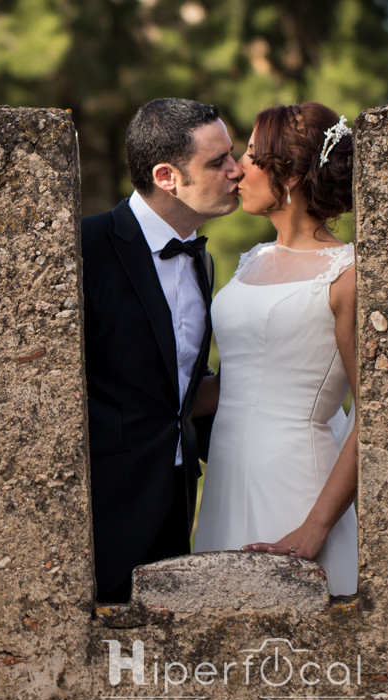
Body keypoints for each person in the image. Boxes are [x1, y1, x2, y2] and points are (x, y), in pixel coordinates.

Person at [192, 102, 358, 595]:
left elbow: (378, 412)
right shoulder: (250, 260)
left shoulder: (347, 275)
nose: (237, 170)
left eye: (250, 155)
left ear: (291, 173)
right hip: (224, 473)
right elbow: (236, 381)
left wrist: (315, 527)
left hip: (296, 480)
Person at [82, 98, 244, 602]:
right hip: (103, 517)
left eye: (232, 155)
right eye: (218, 163)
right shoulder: (83, 249)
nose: (237, 171)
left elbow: (179, 391)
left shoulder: (204, 261)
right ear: (166, 176)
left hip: (181, 506)